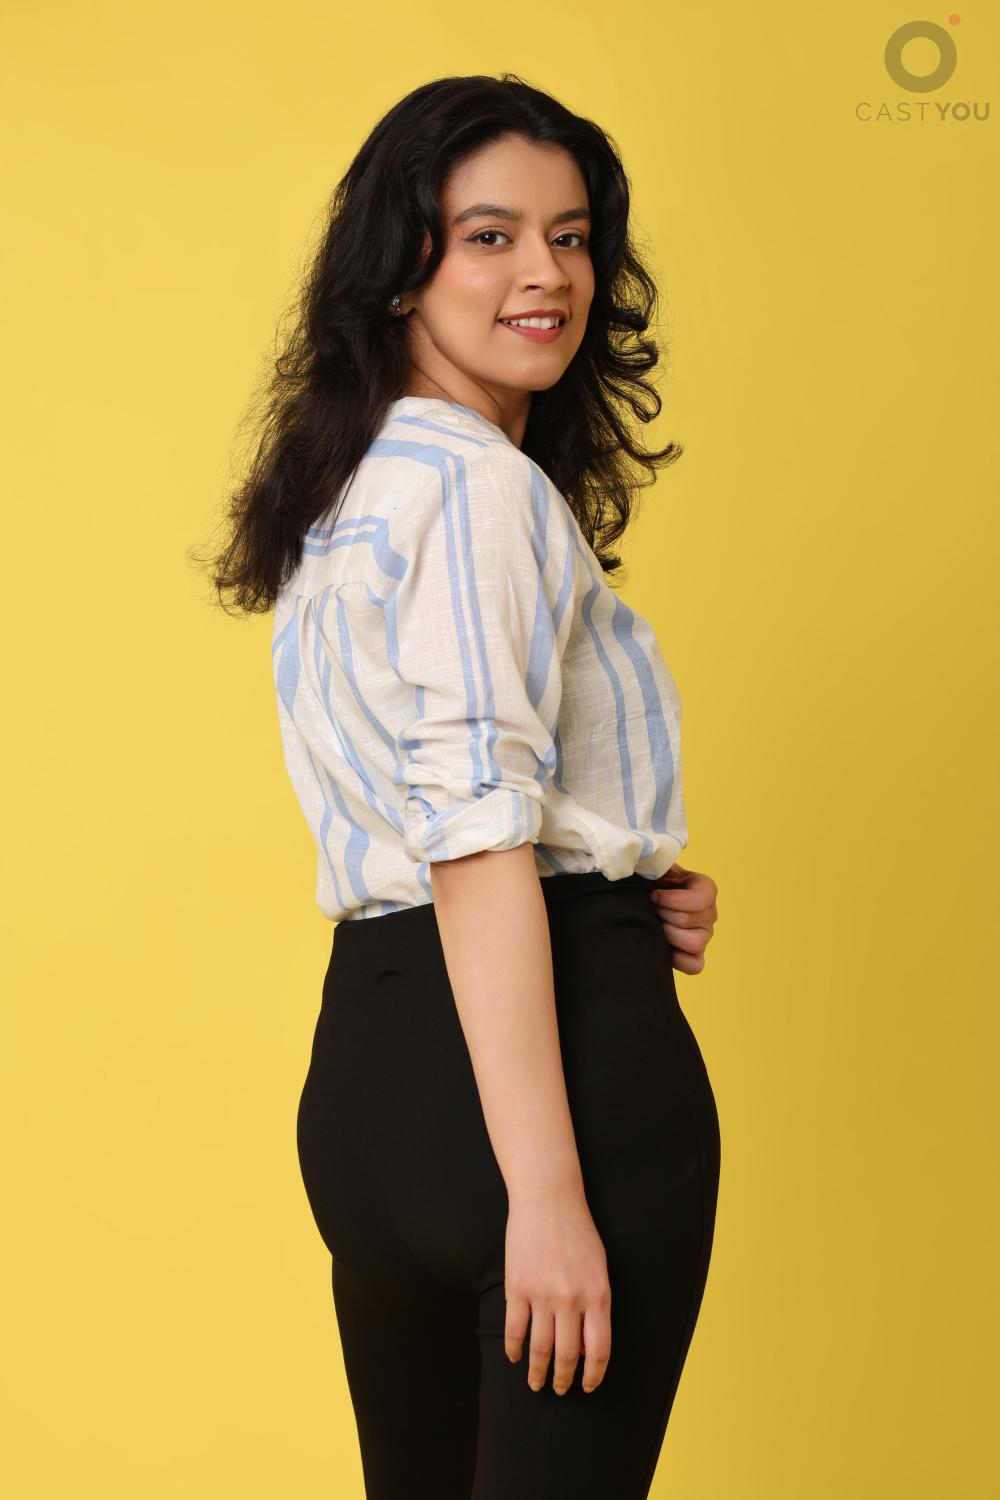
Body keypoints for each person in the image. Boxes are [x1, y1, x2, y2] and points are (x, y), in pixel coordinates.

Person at [198, 73, 721, 1500]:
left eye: (570, 235)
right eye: (489, 236)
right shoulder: (477, 487)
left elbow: (432, 799)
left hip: (372, 1086)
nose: (546, 273)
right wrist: (545, 1196)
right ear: (400, 269)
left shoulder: (348, 488)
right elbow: (477, 840)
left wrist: (619, 873)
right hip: (541, 1090)